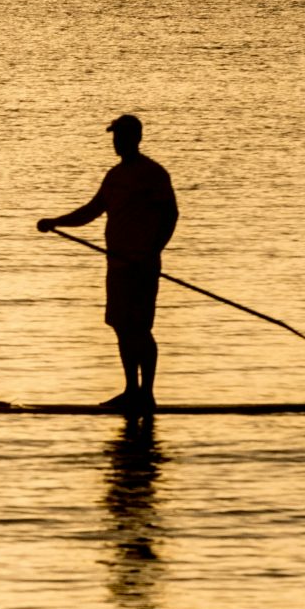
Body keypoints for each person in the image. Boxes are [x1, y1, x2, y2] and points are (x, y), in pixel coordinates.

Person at [38, 114, 178, 414]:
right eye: (115, 137)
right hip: (117, 266)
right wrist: (55, 222)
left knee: (140, 328)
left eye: (121, 136)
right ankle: (131, 390)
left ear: (135, 139)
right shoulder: (114, 176)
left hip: (142, 266)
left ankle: (147, 394)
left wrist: (153, 252)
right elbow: (92, 210)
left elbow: (170, 215)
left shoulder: (153, 174)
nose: (116, 142)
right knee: (121, 327)